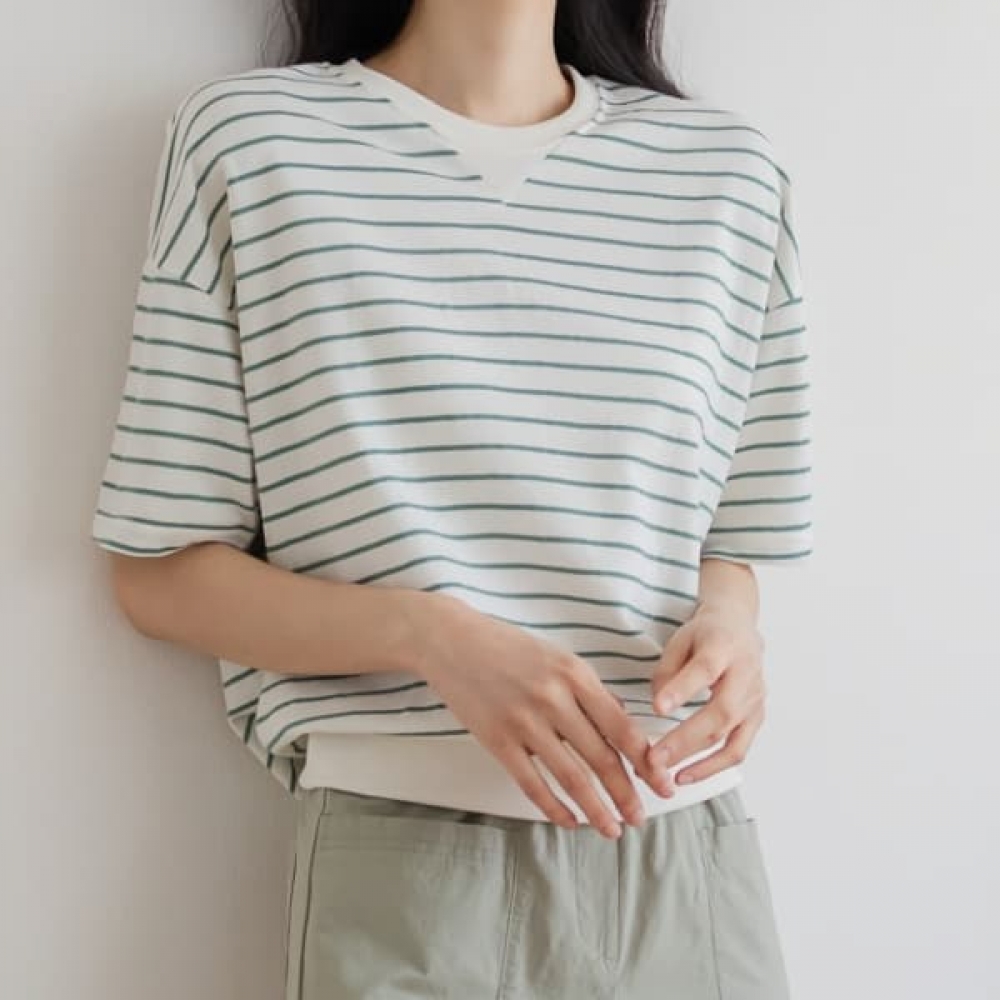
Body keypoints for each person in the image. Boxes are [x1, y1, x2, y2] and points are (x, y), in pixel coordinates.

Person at [90, 1, 814, 996]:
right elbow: (161, 575)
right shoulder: (252, 143)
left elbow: (733, 533)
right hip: (406, 872)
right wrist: (433, 638)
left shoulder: (726, 172)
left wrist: (731, 627)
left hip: (688, 860)